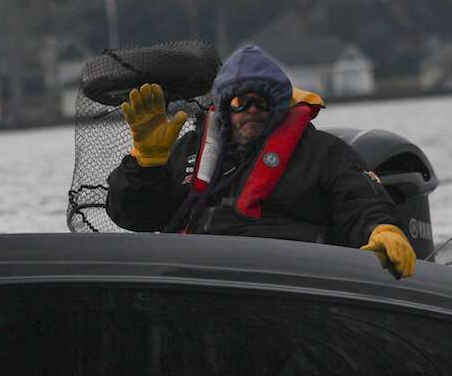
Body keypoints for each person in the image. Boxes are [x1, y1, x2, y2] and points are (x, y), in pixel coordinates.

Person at [106, 43, 417, 277]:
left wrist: (383, 230)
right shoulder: (187, 152)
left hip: (294, 284)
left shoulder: (324, 153)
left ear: (280, 106)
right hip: (198, 283)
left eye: (263, 100)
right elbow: (134, 217)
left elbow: (361, 202)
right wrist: (146, 164)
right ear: (224, 109)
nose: (252, 109)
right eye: (241, 101)